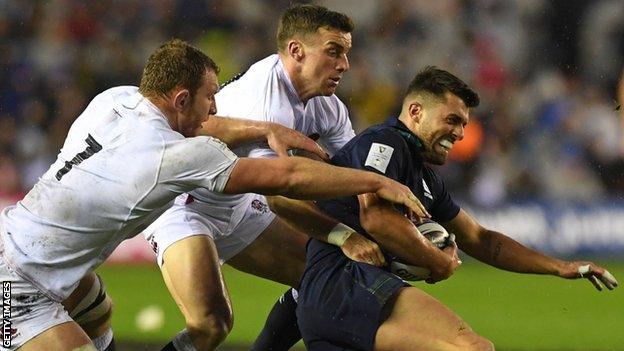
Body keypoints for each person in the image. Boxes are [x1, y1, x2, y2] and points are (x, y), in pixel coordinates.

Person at [0, 39, 426, 351]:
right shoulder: (175, 157)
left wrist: (264, 129)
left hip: (23, 239)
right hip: (16, 282)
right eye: (209, 97)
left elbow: (201, 127)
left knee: (97, 312)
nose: (216, 110)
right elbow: (288, 178)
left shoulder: (115, 99)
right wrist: (375, 181)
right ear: (182, 99)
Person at [295, 66, 619, 351]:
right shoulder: (386, 144)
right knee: (474, 348)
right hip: (345, 286)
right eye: (452, 120)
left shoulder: (426, 179)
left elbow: (480, 238)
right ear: (416, 111)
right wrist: (437, 260)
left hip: (333, 304)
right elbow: (375, 217)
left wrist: (558, 267)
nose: (460, 134)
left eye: (463, 124)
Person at [141, 5, 391, 350]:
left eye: (346, 53)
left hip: (239, 206)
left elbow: (354, 175)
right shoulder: (267, 100)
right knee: (211, 324)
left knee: (322, 277)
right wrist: (342, 234)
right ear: (296, 51)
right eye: (333, 52)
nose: (344, 64)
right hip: (185, 206)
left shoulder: (328, 107)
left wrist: (390, 217)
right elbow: (278, 195)